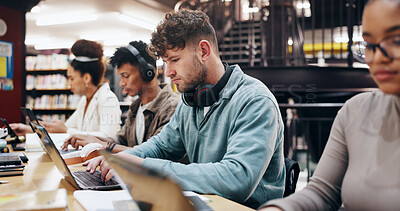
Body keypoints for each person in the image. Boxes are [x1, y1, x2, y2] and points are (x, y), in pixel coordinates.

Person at [85, 9, 285, 209]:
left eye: (175, 59)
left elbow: (236, 178)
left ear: (204, 51)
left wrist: (146, 167)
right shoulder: (191, 101)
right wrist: (127, 159)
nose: (169, 72)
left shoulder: (255, 100)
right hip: (203, 203)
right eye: (166, 62)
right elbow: (161, 146)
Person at [259, 0, 400, 210]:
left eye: (396, 40)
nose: (377, 57)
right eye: (369, 45)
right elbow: (322, 193)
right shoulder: (354, 112)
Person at [60, 40, 180, 152]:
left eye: (125, 76)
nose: (121, 83)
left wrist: (106, 145)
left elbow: (155, 154)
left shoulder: (171, 107)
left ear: (148, 73)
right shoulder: (136, 106)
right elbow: (121, 140)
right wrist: (91, 139)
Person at [11, 39, 121, 140]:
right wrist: (28, 130)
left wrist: (67, 130)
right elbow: (65, 128)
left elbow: (109, 137)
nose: (69, 84)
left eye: (71, 78)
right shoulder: (85, 100)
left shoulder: (108, 98)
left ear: (87, 78)